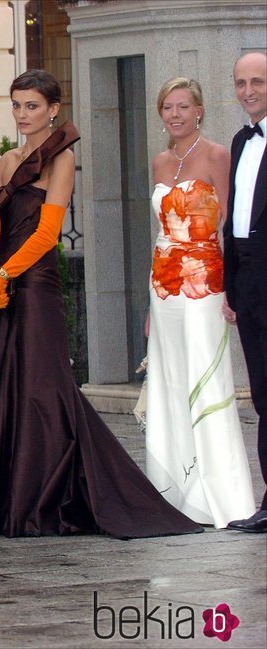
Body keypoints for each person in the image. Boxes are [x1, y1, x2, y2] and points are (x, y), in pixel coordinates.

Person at [0, 70, 203, 539]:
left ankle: (49, 501)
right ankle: (8, 504)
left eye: (32, 106)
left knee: (44, 390)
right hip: (3, 287)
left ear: (53, 109)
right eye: (16, 105)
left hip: (36, 287)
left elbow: (47, 234)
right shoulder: (6, 160)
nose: (22, 115)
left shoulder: (62, 158)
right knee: (10, 386)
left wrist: (4, 273)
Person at [144, 77, 255, 528]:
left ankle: (221, 496)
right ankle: (174, 491)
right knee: (169, 383)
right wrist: (149, 304)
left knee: (206, 381)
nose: (175, 114)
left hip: (205, 284)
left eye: (183, 106)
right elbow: (158, 233)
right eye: (168, 107)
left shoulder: (216, 156)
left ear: (200, 110)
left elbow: (232, 225)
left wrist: (232, 286)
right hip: (164, 287)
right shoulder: (159, 161)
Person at [225, 51, 267, 534]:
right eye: (241, 83)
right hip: (249, 284)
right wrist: (232, 286)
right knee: (263, 396)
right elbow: (236, 217)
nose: (249, 90)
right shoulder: (241, 140)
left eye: (257, 81)